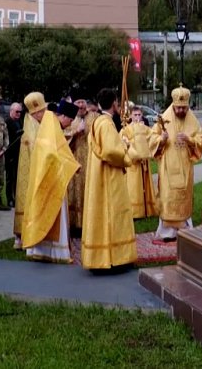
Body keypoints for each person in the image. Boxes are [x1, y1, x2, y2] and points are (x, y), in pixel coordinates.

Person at [82, 88, 140, 271]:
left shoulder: (97, 121)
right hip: (109, 177)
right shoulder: (106, 124)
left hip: (99, 176)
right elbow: (110, 151)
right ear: (114, 103)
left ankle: (101, 257)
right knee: (114, 214)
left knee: (102, 214)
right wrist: (126, 152)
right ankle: (116, 258)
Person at [22, 100, 80, 263]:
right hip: (51, 178)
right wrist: (74, 166)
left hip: (48, 176)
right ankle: (54, 252)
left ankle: (42, 249)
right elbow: (56, 154)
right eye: (69, 121)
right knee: (54, 211)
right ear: (62, 116)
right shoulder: (52, 126)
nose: (69, 124)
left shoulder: (50, 124)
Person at [149, 86, 202, 241]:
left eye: (183, 107)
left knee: (184, 195)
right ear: (173, 105)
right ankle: (167, 232)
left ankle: (185, 228)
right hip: (168, 165)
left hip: (185, 165)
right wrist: (162, 140)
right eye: (178, 107)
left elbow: (200, 139)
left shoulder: (192, 120)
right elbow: (152, 138)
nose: (181, 110)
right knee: (167, 196)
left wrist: (190, 140)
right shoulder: (163, 118)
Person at [14, 93, 46, 247]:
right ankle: (24, 236)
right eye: (43, 111)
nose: (45, 113)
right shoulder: (31, 126)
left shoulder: (32, 121)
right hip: (32, 169)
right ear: (36, 112)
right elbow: (37, 148)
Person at [121, 106, 158, 219]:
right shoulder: (126, 129)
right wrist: (134, 153)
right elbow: (123, 143)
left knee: (145, 185)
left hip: (144, 162)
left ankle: (148, 209)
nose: (137, 117)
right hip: (133, 162)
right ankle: (135, 212)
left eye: (139, 115)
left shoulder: (145, 128)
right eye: (135, 115)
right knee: (133, 186)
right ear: (131, 116)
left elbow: (152, 138)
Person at [65, 99, 95, 237]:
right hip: (74, 160)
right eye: (78, 102)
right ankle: (74, 225)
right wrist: (76, 132)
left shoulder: (95, 117)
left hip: (91, 161)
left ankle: (91, 224)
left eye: (83, 102)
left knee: (89, 191)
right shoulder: (68, 119)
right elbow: (62, 139)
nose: (81, 105)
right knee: (74, 192)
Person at [5, 102, 23, 209]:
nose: (18, 114)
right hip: (10, 154)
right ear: (11, 111)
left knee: (17, 177)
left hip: (19, 154)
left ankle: (16, 198)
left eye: (20, 112)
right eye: (17, 111)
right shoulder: (7, 122)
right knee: (9, 178)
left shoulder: (19, 121)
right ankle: (9, 199)